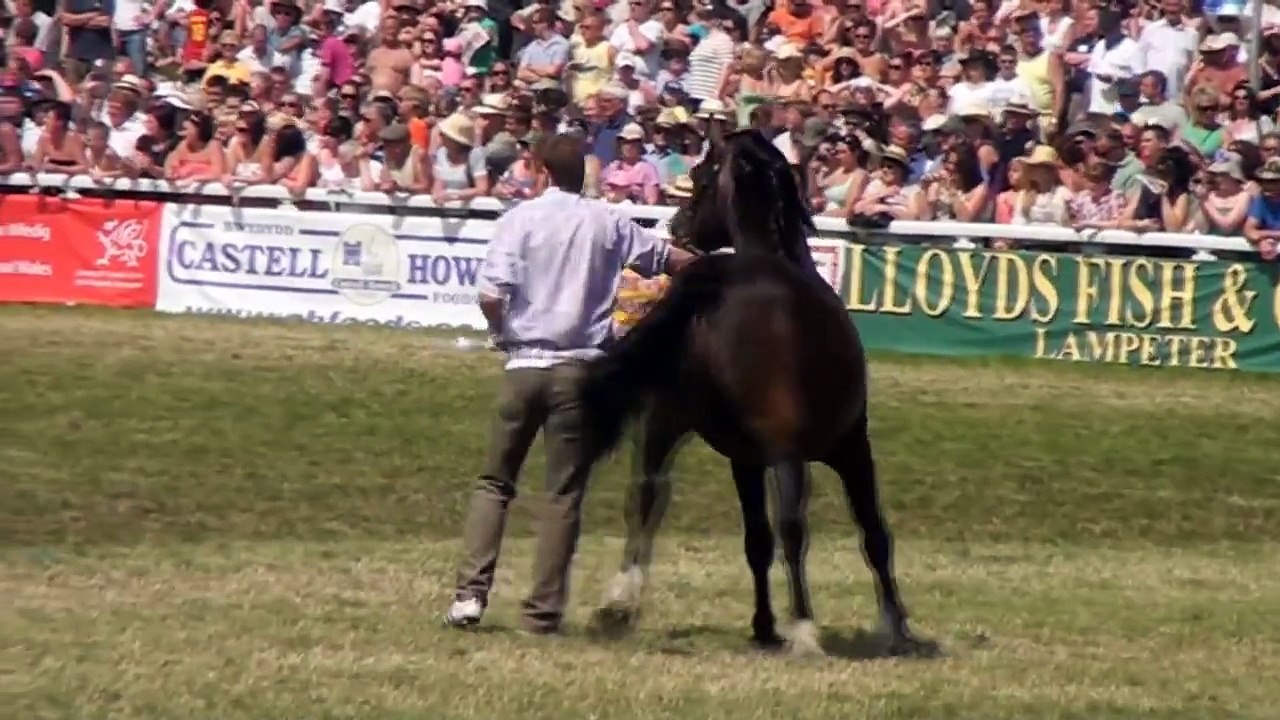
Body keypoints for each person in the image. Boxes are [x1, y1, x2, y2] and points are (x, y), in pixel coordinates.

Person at [445, 133, 697, 634]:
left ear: (538, 168)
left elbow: (491, 293)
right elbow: (671, 261)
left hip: (524, 364)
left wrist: (501, 333)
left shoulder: (518, 219)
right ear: (583, 171)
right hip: (581, 368)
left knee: (495, 481)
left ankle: (471, 595)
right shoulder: (607, 221)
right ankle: (542, 612)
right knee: (562, 493)